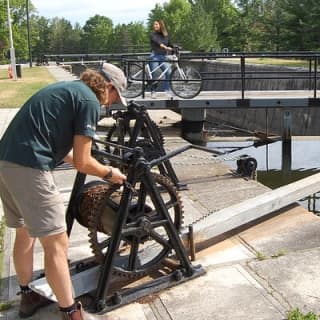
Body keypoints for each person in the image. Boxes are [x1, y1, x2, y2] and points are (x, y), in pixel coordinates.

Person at [0, 63, 128, 320]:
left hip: (6, 162)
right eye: (114, 99)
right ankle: (71, 312)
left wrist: (97, 164)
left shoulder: (68, 89)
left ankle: (27, 296)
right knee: (57, 242)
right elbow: (83, 161)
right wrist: (109, 173)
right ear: (109, 88)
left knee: (25, 231)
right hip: (30, 166)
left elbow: (64, 150)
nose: (110, 105)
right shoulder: (90, 101)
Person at [149, 19, 173, 98]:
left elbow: (169, 44)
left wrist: (174, 48)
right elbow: (158, 43)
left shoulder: (166, 35)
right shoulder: (153, 34)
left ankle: (167, 90)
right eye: (154, 24)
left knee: (168, 72)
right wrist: (166, 47)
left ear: (161, 25)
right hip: (155, 56)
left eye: (156, 24)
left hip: (163, 56)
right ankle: (153, 92)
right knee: (154, 74)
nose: (154, 26)